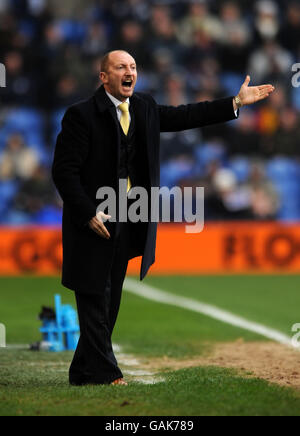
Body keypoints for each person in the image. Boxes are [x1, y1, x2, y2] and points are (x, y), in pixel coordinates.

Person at [52, 50, 275, 386]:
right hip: (93, 217)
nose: (129, 72)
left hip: (128, 215)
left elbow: (185, 116)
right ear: (103, 77)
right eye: (121, 67)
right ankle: (106, 373)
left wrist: (234, 102)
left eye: (133, 67)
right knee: (94, 293)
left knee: (110, 299)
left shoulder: (143, 107)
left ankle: (83, 370)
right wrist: (86, 213)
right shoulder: (80, 115)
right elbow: (64, 171)